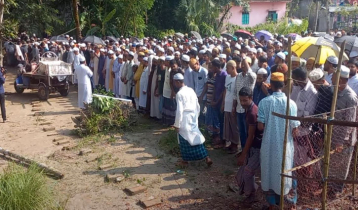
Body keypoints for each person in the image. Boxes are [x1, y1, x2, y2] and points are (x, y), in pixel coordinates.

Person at [258, 72, 300, 209]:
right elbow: (295, 130)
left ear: (271, 85)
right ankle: (288, 203)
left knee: (269, 173)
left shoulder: (264, 102)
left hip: (268, 145)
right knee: (286, 172)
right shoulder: (291, 104)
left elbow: (260, 126)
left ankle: (271, 204)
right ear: (283, 85)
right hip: (285, 146)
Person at [329, 65, 358, 197]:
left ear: (340, 79)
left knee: (341, 165)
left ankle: (336, 190)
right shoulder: (335, 91)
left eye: (334, 76)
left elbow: (349, 123)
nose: (331, 78)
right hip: (333, 134)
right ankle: (329, 187)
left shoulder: (350, 97)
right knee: (332, 163)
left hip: (344, 139)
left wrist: (341, 141)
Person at [172, 73, 213, 167]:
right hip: (193, 116)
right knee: (196, 137)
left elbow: (179, 110)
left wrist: (177, 124)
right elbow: (197, 105)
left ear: (178, 82)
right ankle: (207, 157)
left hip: (184, 118)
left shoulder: (179, 94)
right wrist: (196, 117)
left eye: (174, 82)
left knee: (184, 139)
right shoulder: (191, 90)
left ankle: (185, 160)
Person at [235, 87, 263, 204]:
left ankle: (253, 195)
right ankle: (253, 193)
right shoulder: (250, 108)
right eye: (240, 100)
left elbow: (251, 136)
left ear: (251, 98)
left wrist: (243, 154)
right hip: (254, 146)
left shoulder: (252, 112)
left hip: (257, 147)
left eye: (245, 100)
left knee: (247, 172)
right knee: (245, 172)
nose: (242, 103)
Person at [233, 56, 257, 150]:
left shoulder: (252, 76)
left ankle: (248, 151)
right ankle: (243, 150)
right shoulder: (238, 76)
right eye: (241, 64)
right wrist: (234, 106)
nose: (242, 66)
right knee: (242, 132)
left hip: (247, 108)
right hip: (239, 107)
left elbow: (250, 72)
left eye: (244, 64)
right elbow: (235, 91)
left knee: (248, 132)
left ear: (249, 65)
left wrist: (244, 59)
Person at [222, 60, 240, 153]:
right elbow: (226, 90)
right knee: (228, 125)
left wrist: (234, 106)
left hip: (233, 105)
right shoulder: (227, 77)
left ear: (233, 68)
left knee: (234, 126)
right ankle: (230, 143)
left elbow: (236, 94)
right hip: (227, 103)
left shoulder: (238, 78)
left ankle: (235, 144)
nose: (226, 70)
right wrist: (223, 103)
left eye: (228, 68)